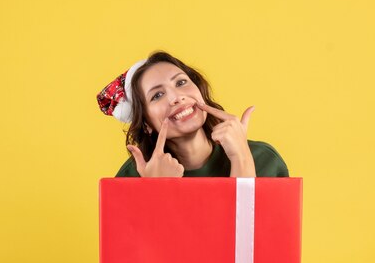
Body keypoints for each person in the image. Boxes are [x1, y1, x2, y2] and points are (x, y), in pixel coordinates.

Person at [97, 51, 289, 178]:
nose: (176, 97)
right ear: (145, 122)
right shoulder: (132, 177)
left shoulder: (263, 160)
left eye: (181, 83)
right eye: (157, 95)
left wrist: (242, 159)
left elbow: (260, 238)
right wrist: (156, 191)